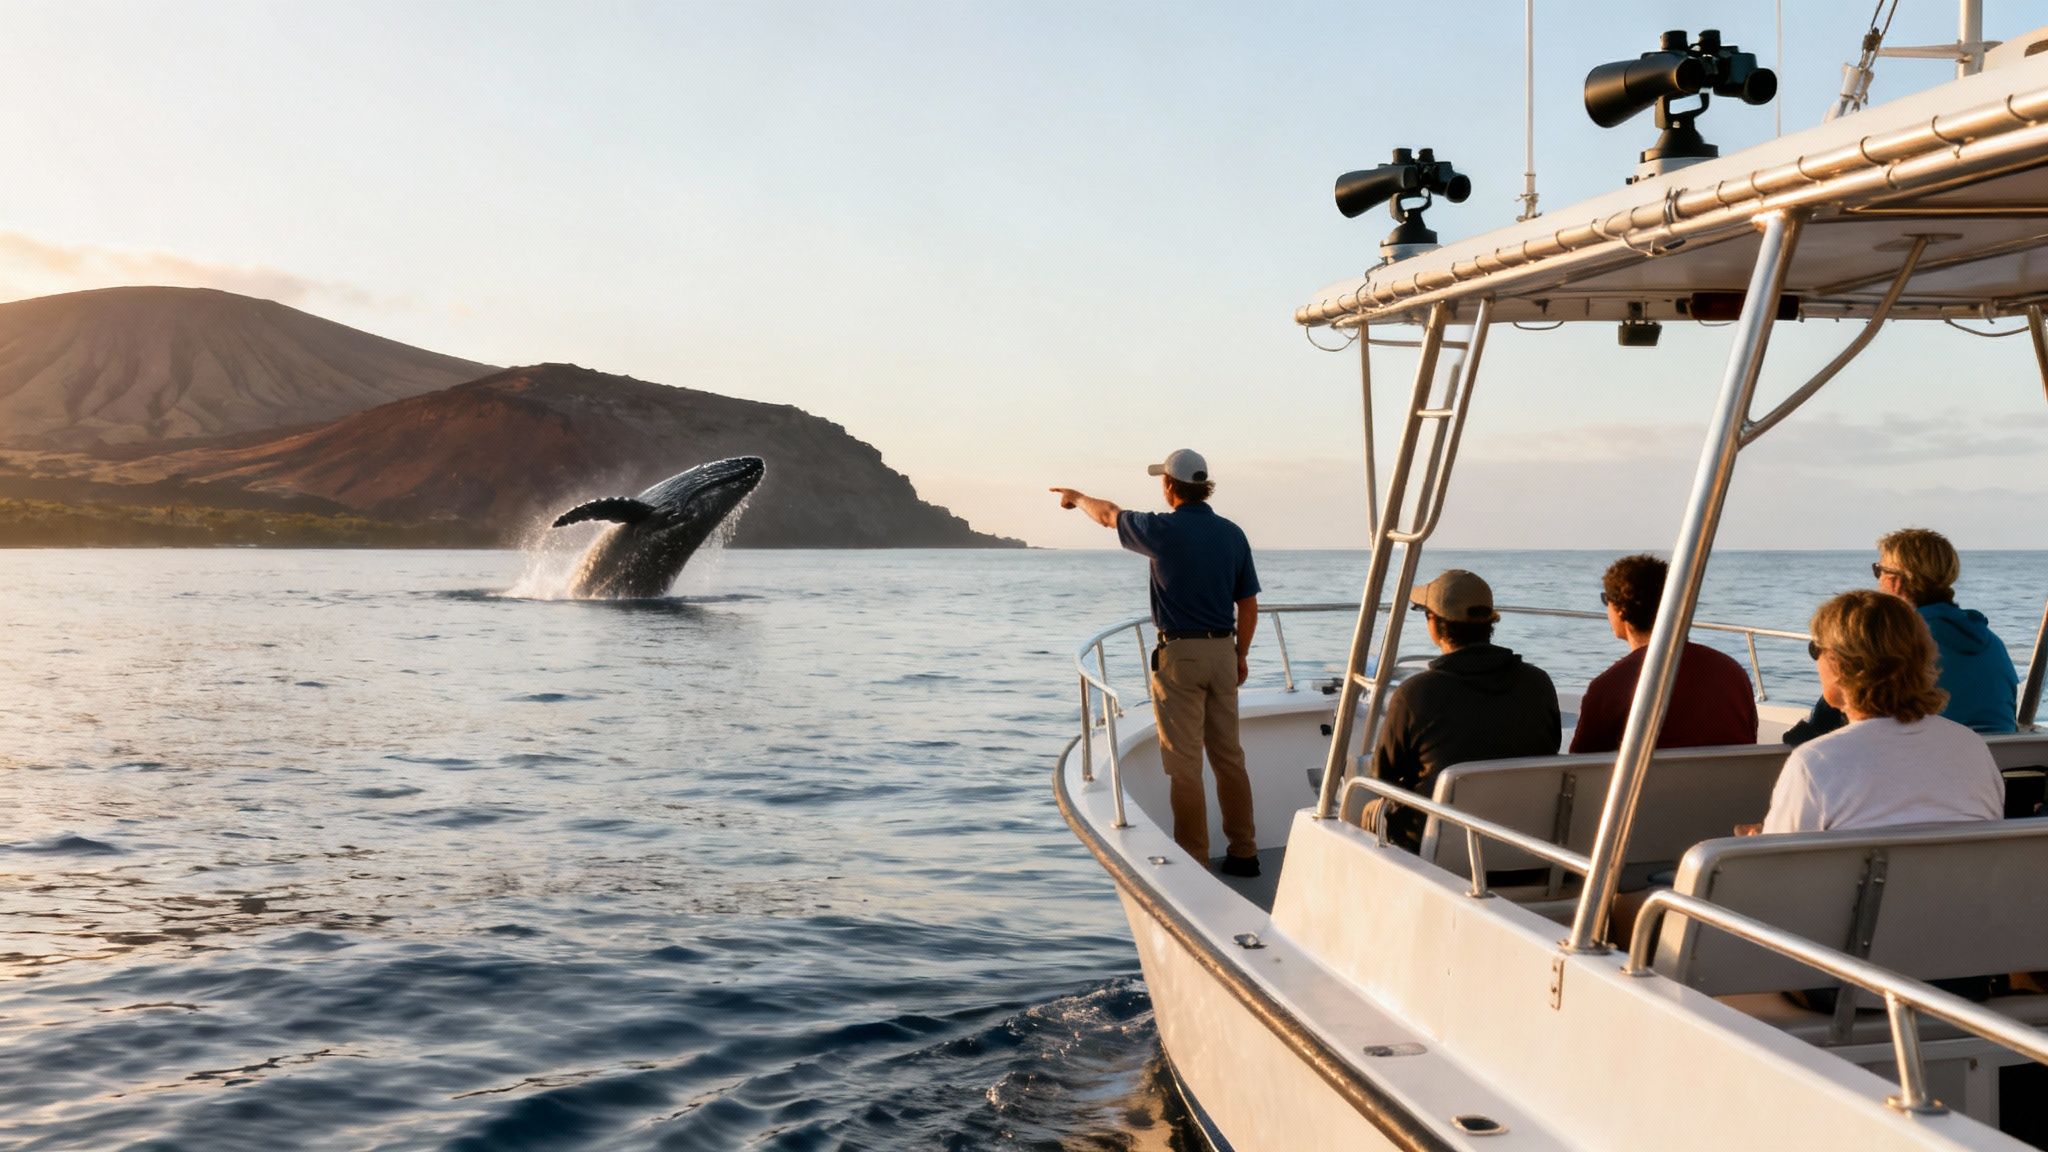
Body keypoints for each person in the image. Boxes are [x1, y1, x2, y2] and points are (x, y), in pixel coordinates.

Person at [1050, 449, 1263, 877]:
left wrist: (1076, 497)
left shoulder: (1160, 530)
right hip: (1224, 652)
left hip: (1180, 657)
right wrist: (1239, 654)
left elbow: (1108, 513)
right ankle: (1244, 852)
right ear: (1204, 487)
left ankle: (1195, 862)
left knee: (1184, 765)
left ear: (1170, 486)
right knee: (1229, 758)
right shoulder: (1232, 534)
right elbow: (1248, 605)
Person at [1756, 589, 2003, 835]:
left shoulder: (1814, 763)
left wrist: (1755, 843)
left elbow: (1781, 867)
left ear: (1840, 664)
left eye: (1816, 649)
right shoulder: (1972, 748)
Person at [1370, 569, 1561, 853]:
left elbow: (1381, 779)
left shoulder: (1415, 694)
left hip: (1438, 851)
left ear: (1434, 624)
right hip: (1526, 849)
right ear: (1489, 623)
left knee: (1365, 806)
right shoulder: (1539, 683)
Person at [1785, 528, 2019, 744]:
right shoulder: (1991, 641)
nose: (1877, 579)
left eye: (1879, 570)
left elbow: (1830, 714)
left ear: (1896, 580)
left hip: (1926, 765)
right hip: (2001, 767)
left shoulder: (1893, 639)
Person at [1570, 554, 1757, 754]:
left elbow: (1581, 768)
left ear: (1620, 609)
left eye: (1605, 599)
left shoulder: (1609, 688)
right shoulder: (1733, 673)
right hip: (1730, 785)